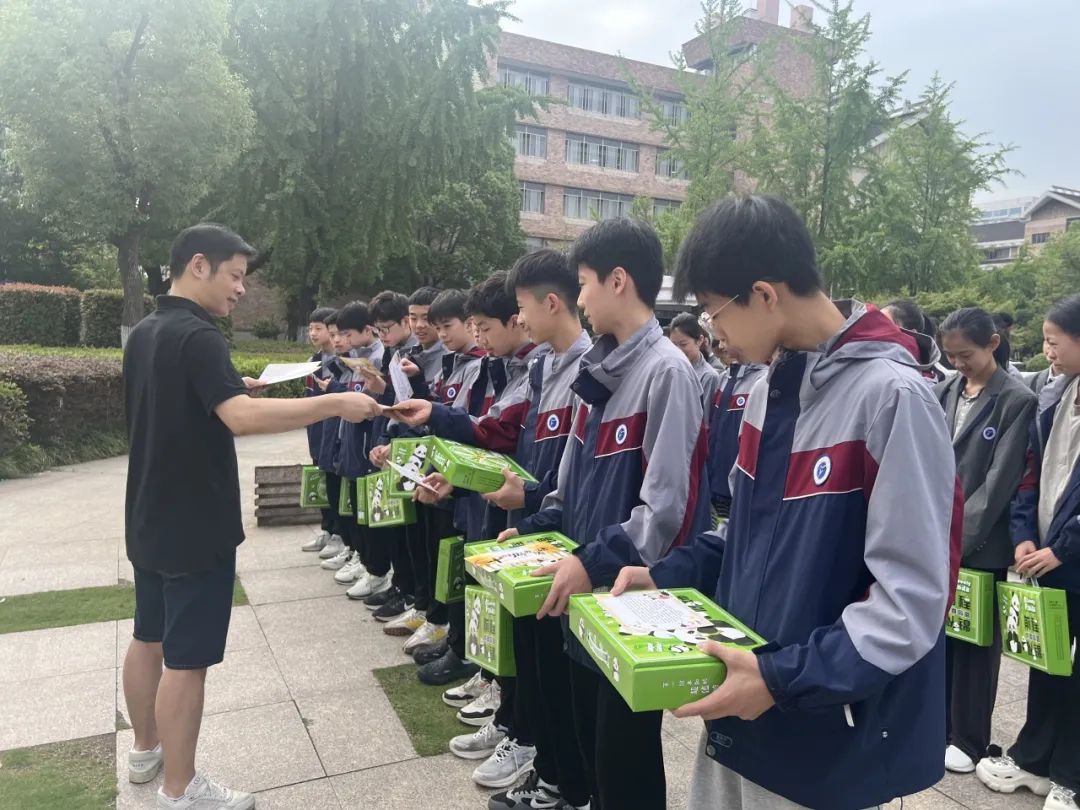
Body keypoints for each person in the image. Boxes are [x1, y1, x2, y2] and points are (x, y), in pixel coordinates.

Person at [613, 196, 961, 809]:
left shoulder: (893, 399)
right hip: (744, 709)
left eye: (713, 311)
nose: (712, 332)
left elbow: (910, 600)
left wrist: (780, 679)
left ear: (764, 294)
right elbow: (745, 533)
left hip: (823, 735)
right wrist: (663, 574)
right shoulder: (766, 392)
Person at [122, 223, 379, 810]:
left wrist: (229, 388)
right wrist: (335, 403)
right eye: (235, 276)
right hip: (196, 521)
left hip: (148, 513)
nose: (241, 288)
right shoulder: (199, 335)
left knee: (148, 634)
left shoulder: (147, 331)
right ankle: (179, 790)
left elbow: (177, 403)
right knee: (186, 660)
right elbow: (238, 419)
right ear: (198, 266)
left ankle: (144, 751)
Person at [501, 218, 712, 810]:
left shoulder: (667, 371)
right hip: (583, 590)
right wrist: (536, 531)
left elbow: (664, 509)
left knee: (625, 759)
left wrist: (592, 561)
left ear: (618, 281)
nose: (581, 298)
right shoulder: (598, 370)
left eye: (584, 283)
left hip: (625, 599)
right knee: (588, 742)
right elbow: (568, 488)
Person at [976, 296, 1080, 810]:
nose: (1047, 351)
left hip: (1069, 557)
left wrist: (1063, 548)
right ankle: (1035, 760)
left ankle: (1072, 776)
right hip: (1046, 556)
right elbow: (1031, 472)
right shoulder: (1057, 396)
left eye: (1053, 341)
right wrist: (1024, 534)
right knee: (1047, 661)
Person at [934, 308, 1036, 776]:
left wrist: (956, 538)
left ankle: (968, 738)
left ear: (993, 343)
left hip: (978, 544)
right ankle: (939, 726)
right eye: (951, 355)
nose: (959, 364)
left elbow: (999, 483)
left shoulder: (1015, 399)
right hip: (937, 535)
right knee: (941, 636)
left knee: (976, 643)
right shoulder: (945, 390)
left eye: (966, 354)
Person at [300, 307, 343, 553]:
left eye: (318, 328)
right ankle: (327, 529)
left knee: (335, 482)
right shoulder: (313, 362)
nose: (313, 333)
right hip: (315, 429)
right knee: (322, 478)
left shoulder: (341, 362)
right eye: (310, 329)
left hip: (333, 429)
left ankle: (339, 533)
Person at [669, 311, 722, 407]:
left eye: (683, 344)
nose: (678, 350)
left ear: (700, 340)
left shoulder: (708, 377)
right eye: (673, 345)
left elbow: (706, 414)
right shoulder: (669, 371)